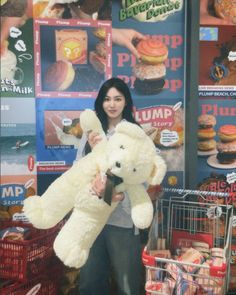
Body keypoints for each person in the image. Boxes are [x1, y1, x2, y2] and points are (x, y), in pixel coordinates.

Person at [76, 77, 144, 295]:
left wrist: (117, 192)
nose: (112, 104)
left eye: (118, 98)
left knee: (128, 284)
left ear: (126, 102)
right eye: (107, 99)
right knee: (90, 281)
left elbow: (145, 173)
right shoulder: (92, 133)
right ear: (100, 102)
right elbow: (77, 170)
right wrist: (92, 188)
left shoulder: (136, 133)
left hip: (122, 221)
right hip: (93, 220)